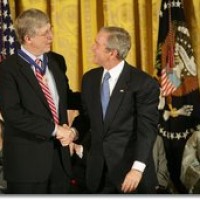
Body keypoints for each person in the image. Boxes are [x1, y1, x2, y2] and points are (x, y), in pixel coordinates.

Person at [0, 8, 81, 194]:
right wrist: (55, 129)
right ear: (28, 38)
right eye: (45, 34)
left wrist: (98, 96)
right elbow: (13, 113)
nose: (51, 37)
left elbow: (65, 98)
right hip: (27, 166)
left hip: (59, 161)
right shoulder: (7, 69)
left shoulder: (56, 61)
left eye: (50, 30)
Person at [71, 26, 160, 193]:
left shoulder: (143, 83)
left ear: (112, 53)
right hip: (96, 174)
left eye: (97, 44)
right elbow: (87, 117)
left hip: (128, 174)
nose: (92, 47)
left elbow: (146, 130)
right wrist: (74, 132)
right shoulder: (90, 79)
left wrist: (137, 169)